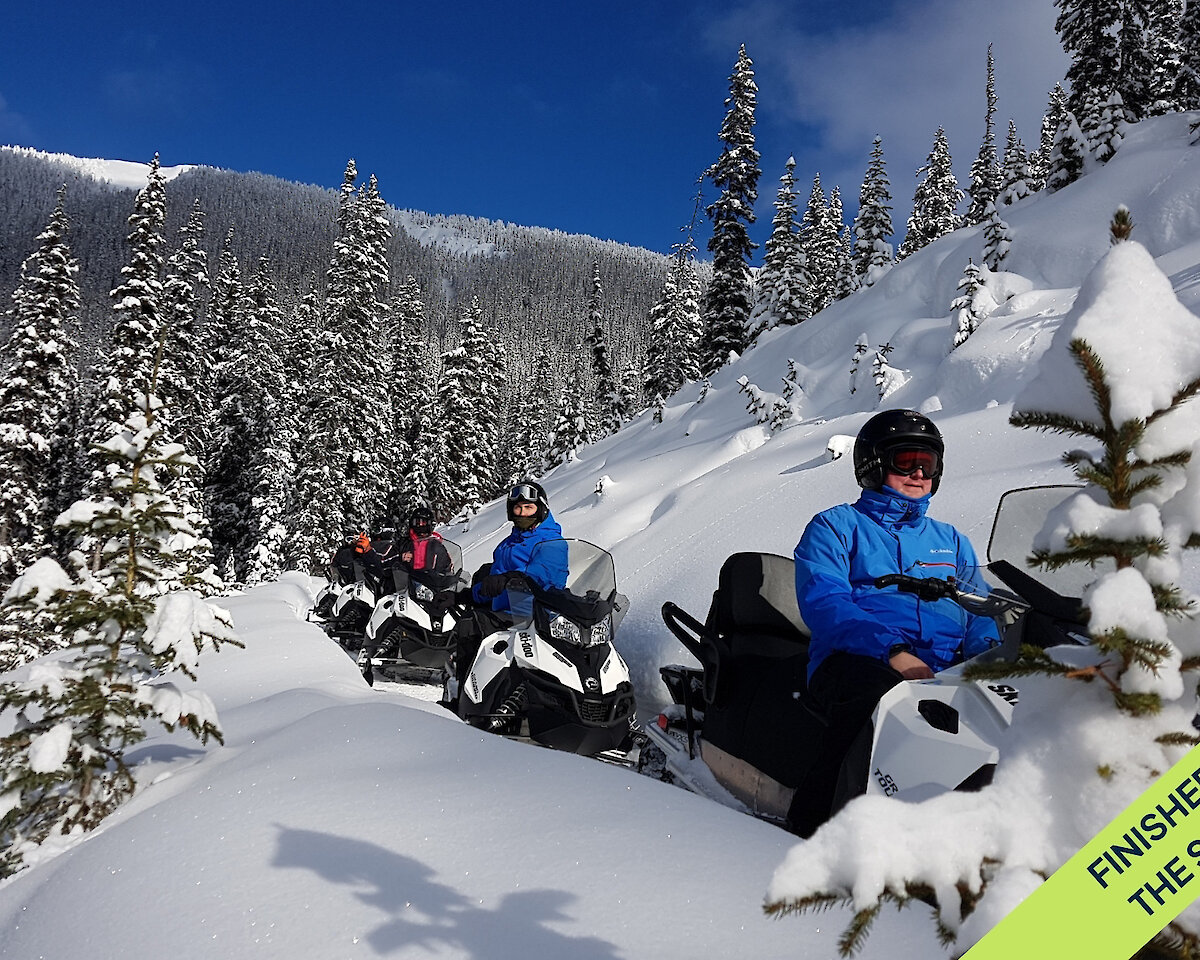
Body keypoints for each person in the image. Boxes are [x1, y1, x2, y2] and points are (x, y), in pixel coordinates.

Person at [789, 408, 999, 834]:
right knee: (879, 702)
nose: (919, 473)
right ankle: (814, 829)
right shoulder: (836, 527)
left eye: (929, 463)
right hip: (855, 660)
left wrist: (991, 656)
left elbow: (980, 606)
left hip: (944, 668)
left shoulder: (951, 540)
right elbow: (826, 602)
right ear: (873, 464)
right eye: (906, 461)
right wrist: (894, 651)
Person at [443, 480, 567, 702]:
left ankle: (468, 697)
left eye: (528, 507)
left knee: (473, 625)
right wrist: (463, 596)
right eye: (517, 508)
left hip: (534, 614)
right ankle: (467, 691)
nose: (522, 513)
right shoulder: (508, 544)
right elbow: (494, 584)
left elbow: (545, 574)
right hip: (509, 611)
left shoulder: (551, 541)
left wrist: (513, 578)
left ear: (541, 508)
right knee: (469, 622)